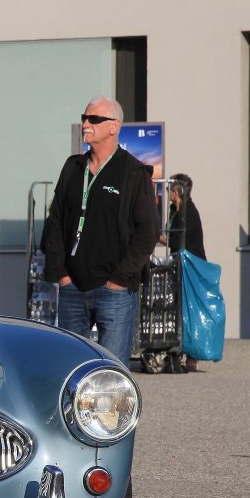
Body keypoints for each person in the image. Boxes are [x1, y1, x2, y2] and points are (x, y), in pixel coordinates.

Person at [40, 96, 159, 365]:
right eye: (84, 118)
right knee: (70, 367)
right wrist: (62, 274)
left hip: (114, 291)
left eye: (94, 119)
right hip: (72, 287)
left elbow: (147, 233)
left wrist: (119, 279)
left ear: (114, 126)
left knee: (112, 370)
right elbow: (55, 221)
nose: (86, 124)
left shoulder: (133, 172)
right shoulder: (73, 167)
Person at [163, 174, 206, 260]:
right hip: (179, 259)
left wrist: (156, 236)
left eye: (168, 189)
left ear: (176, 193)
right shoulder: (175, 209)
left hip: (191, 263)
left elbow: (176, 242)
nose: (167, 191)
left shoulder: (188, 212)